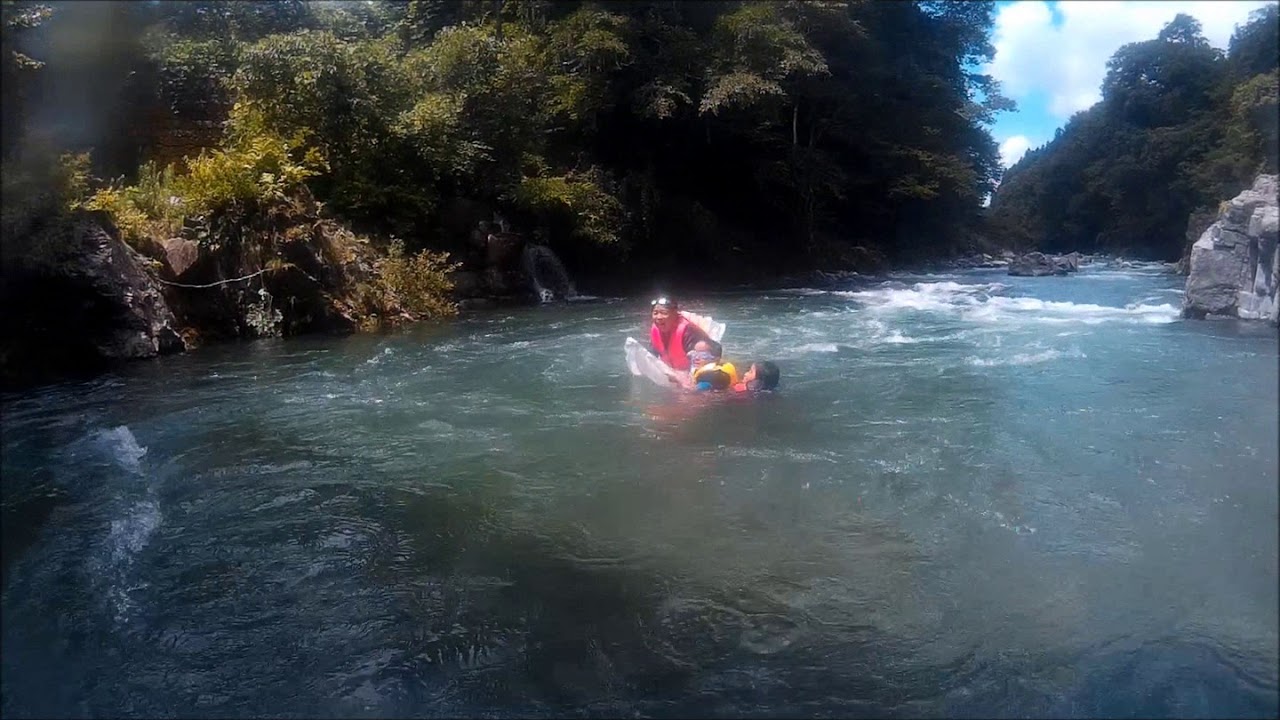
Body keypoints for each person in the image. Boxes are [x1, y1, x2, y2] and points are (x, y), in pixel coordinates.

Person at [648, 296, 711, 371]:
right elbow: (653, 355)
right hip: (673, 371)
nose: (659, 317)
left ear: (675, 314)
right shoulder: (655, 329)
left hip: (690, 371)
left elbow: (716, 348)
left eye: (664, 313)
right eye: (655, 313)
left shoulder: (687, 331)